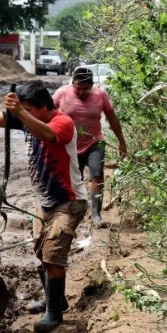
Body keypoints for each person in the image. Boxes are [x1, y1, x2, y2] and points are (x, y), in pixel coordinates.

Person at [0, 74, 88, 333]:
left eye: (29, 110)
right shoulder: (30, 119)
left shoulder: (62, 122)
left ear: (44, 106)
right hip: (46, 202)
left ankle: (54, 313)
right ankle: (56, 300)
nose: (24, 115)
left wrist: (21, 113)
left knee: (53, 256)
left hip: (69, 201)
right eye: (23, 111)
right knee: (42, 253)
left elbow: (49, 136)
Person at [53, 67, 127, 229]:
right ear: (72, 83)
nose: (81, 92)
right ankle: (72, 212)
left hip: (95, 142)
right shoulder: (62, 93)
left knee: (97, 176)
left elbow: (112, 118)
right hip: (70, 145)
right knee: (73, 180)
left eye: (85, 89)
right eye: (78, 88)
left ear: (91, 86)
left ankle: (96, 214)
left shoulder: (100, 95)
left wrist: (121, 141)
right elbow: (48, 116)